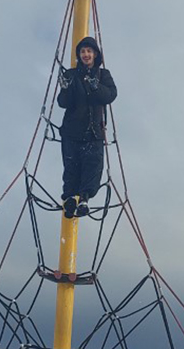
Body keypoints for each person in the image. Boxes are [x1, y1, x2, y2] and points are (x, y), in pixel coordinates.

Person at [57, 35, 117, 219]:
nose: (86, 54)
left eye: (89, 51)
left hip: (94, 132)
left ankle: (83, 198)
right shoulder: (71, 74)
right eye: (82, 51)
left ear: (95, 54)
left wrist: (95, 85)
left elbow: (110, 95)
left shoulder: (102, 75)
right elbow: (63, 102)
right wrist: (66, 88)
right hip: (73, 131)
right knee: (71, 167)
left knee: (92, 166)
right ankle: (69, 199)